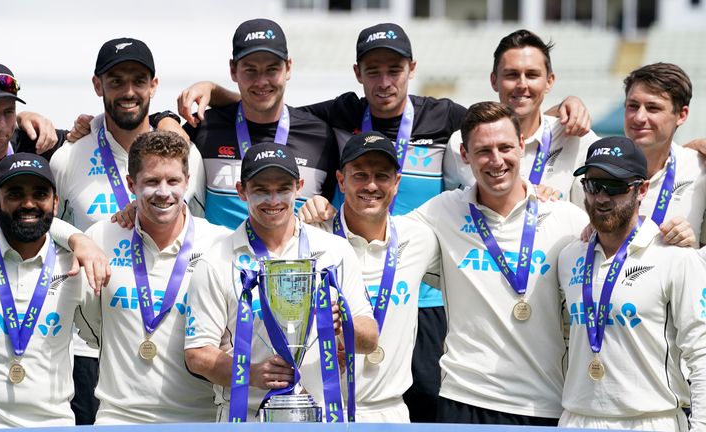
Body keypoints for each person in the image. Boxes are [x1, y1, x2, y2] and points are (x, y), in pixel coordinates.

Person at [179, 24, 591, 421]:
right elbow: (265, 105)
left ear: (412, 68)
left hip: (421, 305)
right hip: (331, 283)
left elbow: (499, 127)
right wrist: (211, 94)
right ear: (357, 73)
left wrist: (557, 116)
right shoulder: (333, 122)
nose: (384, 81)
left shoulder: (443, 122)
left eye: (394, 69)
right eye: (372, 71)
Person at [48, 37, 207, 424]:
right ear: (97, 86)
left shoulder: (187, 153)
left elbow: (194, 228)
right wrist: (79, 237)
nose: (128, 91)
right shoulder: (70, 154)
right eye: (116, 81)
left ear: (154, 86)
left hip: (173, 335)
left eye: (139, 80)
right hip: (88, 347)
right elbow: (44, 224)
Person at [0, 62, 101, 429]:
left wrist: (77, 237)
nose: (0, 124)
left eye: (8, 112)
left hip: (26, 318)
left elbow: (109, 133)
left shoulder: (37, 143)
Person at [409, 101, 588, 425]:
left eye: (505, 147)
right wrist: (321, 213)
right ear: (464, 155)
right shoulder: (442, 212)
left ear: (522, 146)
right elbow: (381, 233)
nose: (496, 160)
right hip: (463, 400)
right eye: (483, 151)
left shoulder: (566, 219)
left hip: (543, 404)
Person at [183, 142, 377, 422]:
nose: (273, 200)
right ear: (241, 191)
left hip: (322, 414)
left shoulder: (335, 251)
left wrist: (343, 322)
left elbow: (369, 339)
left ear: (299, 187)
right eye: (261, 190)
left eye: (283, 188)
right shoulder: (216, 260)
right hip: (245, 417)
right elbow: (197, 354)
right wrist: (251, 372)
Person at [76, 131, 229, 424]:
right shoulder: (100, 237)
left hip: (201, 418)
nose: (163, 192)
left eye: (173, 181)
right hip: (118, 419)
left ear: (187, 181)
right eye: (151, 181)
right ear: (131, 183)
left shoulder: (218, 244)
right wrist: (73, 237)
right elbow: (88, 324)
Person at [558, 136, 706, 430]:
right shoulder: (569, 256)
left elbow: (701, 351)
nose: (601, 198)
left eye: (614, 187)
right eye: (592, 185)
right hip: (577, 419)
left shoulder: (675, 256)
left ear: (642, 190)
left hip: (650, 420)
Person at [312, 131, 440, 422]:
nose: (371, 185)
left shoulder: (419, 239)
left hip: (391, 411)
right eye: (359, 175)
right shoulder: (312, 238)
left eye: (381, 175)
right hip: (324, 408)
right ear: (341, 180)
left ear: (396, 183)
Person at [178, 18, 338, 230]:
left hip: (293, 262)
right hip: (221, 261)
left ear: (288, 68)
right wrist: (164, 118)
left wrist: (326, 209)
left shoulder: (321, 136)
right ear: (233, 70)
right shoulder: (205, 128)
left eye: (271, 70)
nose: (262, 81)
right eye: (251, 70)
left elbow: (333, 208)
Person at [444, 29, 598, 201]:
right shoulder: (461, 143)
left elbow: (588, 219)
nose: (522, 84)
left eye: (532, 75)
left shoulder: (578, 140)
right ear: (494, 81)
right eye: (511, 75)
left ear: (549, 81)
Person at [571, 62, 706, 248]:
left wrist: (693, 248)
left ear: (682, 115)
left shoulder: (699, 168)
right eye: (633, 106)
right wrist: (568, 102)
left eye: (653, 108)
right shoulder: (593, 167)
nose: (639, 118)